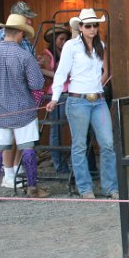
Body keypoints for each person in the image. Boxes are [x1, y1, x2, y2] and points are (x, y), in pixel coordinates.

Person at [46, 8, 118, 199]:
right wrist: (55, 97)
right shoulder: (71, 46)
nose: (93, 29)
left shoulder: (100, 45)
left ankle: (110, 187)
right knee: (79, 145)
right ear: (81, 27)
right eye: (89, 26)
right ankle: (85, 187)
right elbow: (61, 72)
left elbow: (104, 71)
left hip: (97, 99)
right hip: (78, 100)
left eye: (95, 25)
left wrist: (100, 83)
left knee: (108, 143)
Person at [0, 14, 48, 202]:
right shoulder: (24, 56)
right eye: (23, 34)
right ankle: (32, 188)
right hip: (23, 110)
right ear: (19, 33)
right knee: (28, 149)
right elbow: (36, 84)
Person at [38, 24, 72, 175]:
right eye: (61, 39)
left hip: (70, 93)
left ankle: (67, 165)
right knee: (56, 130)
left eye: (65, 39)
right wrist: (60, 75)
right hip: (55, 95)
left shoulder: (66, 52)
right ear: (53, 39)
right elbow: (49, 75)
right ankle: (60, 165)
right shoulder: (46, 55)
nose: (64, 42)